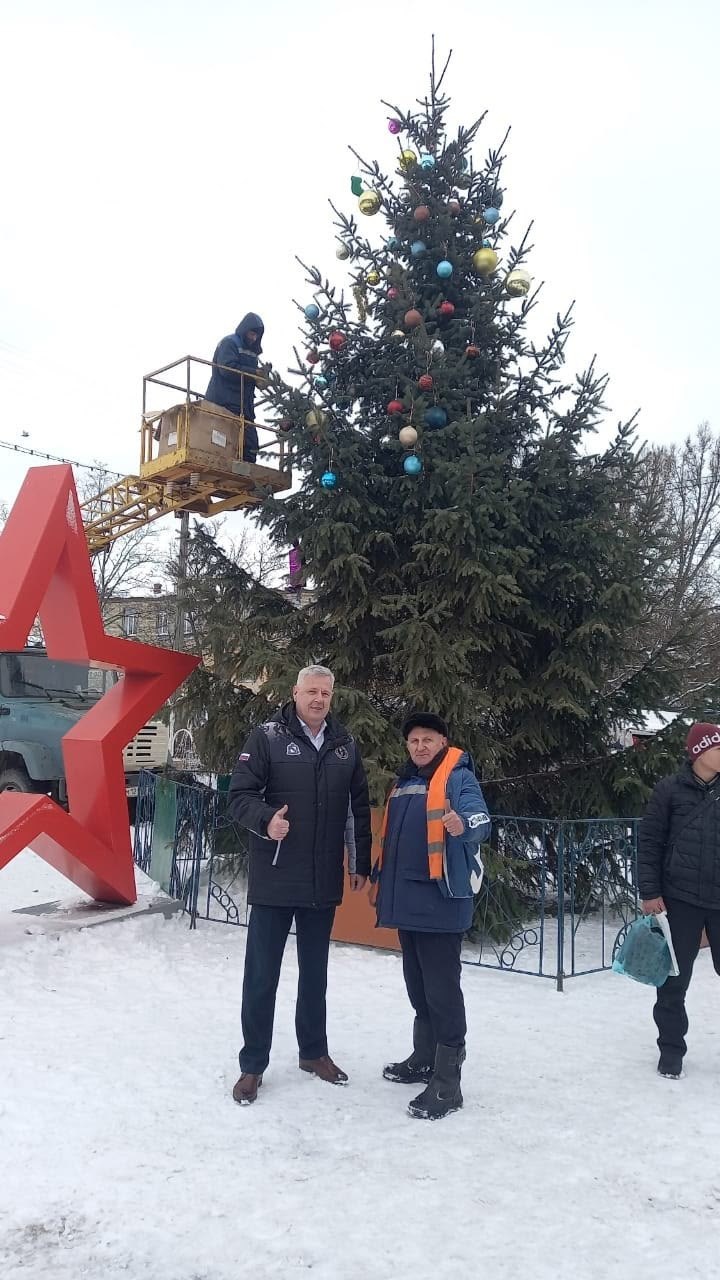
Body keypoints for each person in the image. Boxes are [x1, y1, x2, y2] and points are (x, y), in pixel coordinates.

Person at [227, 665, 371, 1105]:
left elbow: (357, 809)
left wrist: (359, 862)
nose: (318, 699)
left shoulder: (344, 745)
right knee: (261, 977)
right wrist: (266, 821)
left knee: (315, 975)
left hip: (321, 880)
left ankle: (313, 1053)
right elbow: (239, 797)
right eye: (311, 691)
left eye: (325, 693)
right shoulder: (267, 737)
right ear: (295, 693)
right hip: (275, 878)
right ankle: (253, 1065)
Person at [371, 712, 491, 1120]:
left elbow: (480, 819)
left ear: (443, 742)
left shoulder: (458, 777)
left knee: (442, 990)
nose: (420, 746)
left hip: (440, 901)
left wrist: (463, 824)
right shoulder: (405, 781)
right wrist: (377, 878)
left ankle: (447, 1083)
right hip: (406, 900)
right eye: (414, 741)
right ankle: (423, 1059)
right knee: (418, 985)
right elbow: (395, 838)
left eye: (428, 739)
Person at [638, 721, 720, 1079]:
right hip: (680, 899)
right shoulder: (669, 790)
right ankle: (671, 1051)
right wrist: (650, 892)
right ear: (699, 752)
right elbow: (650, 842)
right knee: (672, 982)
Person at [205, 312, 264, 463]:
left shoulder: (253, 353)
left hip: (244, 407)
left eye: (256, 335)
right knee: (222, 442)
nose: (254, 338)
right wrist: (254, 373)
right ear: (245, 329)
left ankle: (247, 472)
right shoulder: (229, 343)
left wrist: (261, 379)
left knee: (250, 445)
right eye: (252, 333)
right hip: (224, 402)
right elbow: (227, 369)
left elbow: (251, 377)